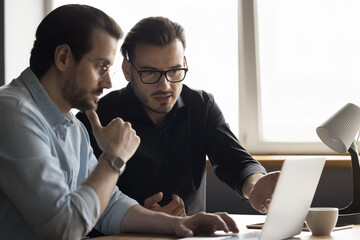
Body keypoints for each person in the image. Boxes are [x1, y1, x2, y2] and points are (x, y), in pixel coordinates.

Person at [0, 5, 240, 240]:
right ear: (63, 58)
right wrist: (113, 159)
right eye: (101, 66)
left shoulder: (70, 124)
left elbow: (109, 205)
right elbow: (63, 229)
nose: (107, 83)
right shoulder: (12, 113)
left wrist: (178, 224)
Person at [77, 16, 279, 218]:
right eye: (150, 73)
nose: (165, 86)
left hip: (193, 235)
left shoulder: (201, 105)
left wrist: (254, 186)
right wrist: (138, 218)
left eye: (174, 71)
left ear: (184, 63)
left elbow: (234, 161)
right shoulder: (95, 118)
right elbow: (80, 202)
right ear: (127, 71)